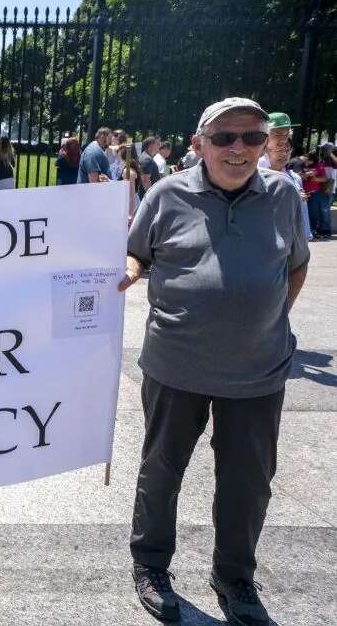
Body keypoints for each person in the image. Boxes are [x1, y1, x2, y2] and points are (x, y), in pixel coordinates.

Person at [121, 98, 309, 626]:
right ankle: (151, 565)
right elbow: (138, 252)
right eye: (225, 137)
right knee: (161, 469)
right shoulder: (167, 194)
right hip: (176, 365)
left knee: (248, 480)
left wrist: (265, 319)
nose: (239, 148)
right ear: (200, 142)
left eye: (252, 138)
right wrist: (129, 270)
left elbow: (296, 267)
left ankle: (234, 577)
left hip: (258, 370)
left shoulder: (283, 197)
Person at [303, 150, 331, 239]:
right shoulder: (302, 166)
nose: (306, 162)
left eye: (307, 160)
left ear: (312, 160)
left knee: (313, 213)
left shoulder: (319, 166)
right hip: (304, 192)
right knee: (307, 212)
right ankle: (309, 229)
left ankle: (313, 230)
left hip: (315, 193)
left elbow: (325, 178)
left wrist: (315, 178)